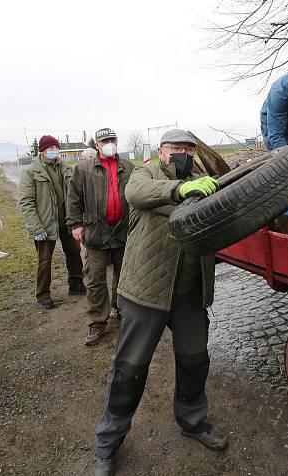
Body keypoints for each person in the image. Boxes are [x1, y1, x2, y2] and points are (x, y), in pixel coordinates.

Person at [92, 129, 226, 476]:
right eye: (175, 148)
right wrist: (179, 190)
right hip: (145, 291)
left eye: (187, 149)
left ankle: (193, 420)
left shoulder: (202, 180)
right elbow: (134, 193)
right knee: (130, 367)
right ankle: (108, 443)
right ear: (161, 151)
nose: (182, 153)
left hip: (189, 293)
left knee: (195, 358)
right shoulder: (146, 173)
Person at [66, 128, 134, 346]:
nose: (109, 143)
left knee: (124, 277)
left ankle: (121, 310)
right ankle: (98, 321)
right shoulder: (83, 169)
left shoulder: (129, 167)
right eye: (105, 140)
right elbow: (73, 199)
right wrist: (76, 224)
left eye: (112, 139)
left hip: (123, 232)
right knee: (95, 278)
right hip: (95, 233)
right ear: (97, 144)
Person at [19, 135, 85, 309]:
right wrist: (35, 227)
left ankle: (76, 283)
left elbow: (76, 195)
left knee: (74, 251)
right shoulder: (31, 172)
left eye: (56, 147)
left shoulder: (67, 168)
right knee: (44, 260)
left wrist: (77, 219)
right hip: (44, 223)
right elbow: (26, 202)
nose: (54, 151)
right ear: (42, 151)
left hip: (67, 220)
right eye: (50, 148)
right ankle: (43, 294)